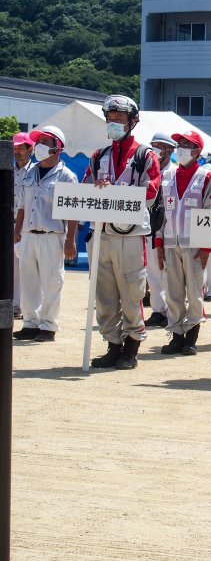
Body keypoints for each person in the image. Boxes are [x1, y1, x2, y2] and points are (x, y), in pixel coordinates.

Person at [84, 94, 161, 370]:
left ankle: (131, 347)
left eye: (119, 119)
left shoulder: (145, 155)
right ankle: (112, 345)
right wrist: (96, 187)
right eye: (110, 119)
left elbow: (152, 189)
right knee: (103, 296)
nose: (113, 124)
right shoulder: (98, 156)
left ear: (132, 122)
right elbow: (84, 189)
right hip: (102, 234)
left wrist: (121, 192)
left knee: (132, 293)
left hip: (130, 236)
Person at [155, 131, 211, 356]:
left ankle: (191, 336)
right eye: (179, 143)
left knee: (194, 292)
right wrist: (159, 243)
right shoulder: (167, 177)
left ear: (197, 151)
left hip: (195, 246)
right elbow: (161, 213)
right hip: (171, 243)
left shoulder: (206, 177)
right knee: (172, 292)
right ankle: (176, 335)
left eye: (186, 144)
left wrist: (206, 248)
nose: (181, 147)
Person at [12, 126, 78, 342]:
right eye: (38, 141)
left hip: (52, 235)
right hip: (29, 234)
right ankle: (30, 322)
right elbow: (22, 204)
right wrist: (17, 232)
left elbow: (72, 213)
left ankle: (48, 325)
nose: (39, 145)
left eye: (45, 142)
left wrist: (70, 241)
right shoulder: (30, 172)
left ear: (57, 147)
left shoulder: (66, 176)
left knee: (52, 281)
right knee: (28, 280)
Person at [143, 132, 176, 329]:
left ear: (170, 150)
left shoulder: (173, 173)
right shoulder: (148, 172)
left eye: (160, 146)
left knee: (168, 273)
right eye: (154, 145)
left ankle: (171, 311)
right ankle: (158, 309)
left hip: (169, 229)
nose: (156, 149)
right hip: (150, 226)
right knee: (152, 272)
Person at [12, 132, 35, 320]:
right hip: (8, 224)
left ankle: (24, 307)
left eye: (21, 147)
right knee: (10, 267)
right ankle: (14, 305)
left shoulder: (35, 171)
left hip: (28, 225)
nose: (17, 150)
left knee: (26, 268)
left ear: (30, 149)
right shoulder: (7, 171)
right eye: (15, 147)